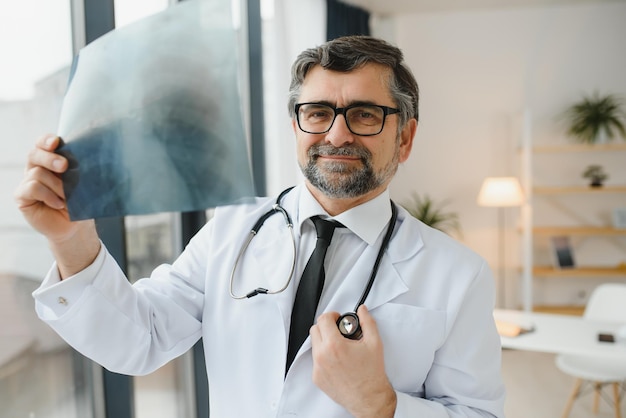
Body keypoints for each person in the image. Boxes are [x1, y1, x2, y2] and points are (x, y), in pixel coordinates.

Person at [15, 35, 505, 417]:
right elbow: (138, 341)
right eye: (317, 113)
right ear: (296, 126)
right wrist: (71, 239)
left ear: (405, 136)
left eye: (364, 114)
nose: (336, 134)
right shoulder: (232, 228)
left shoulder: (458, 274)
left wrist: (383, 407)